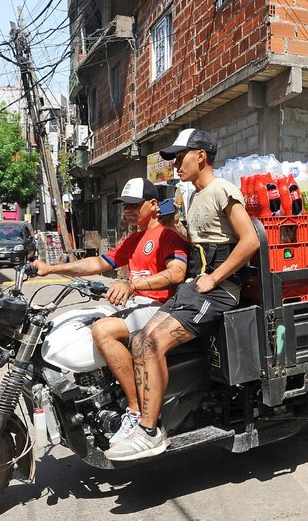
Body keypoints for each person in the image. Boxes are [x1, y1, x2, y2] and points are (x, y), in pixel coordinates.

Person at [106, 128, 260, 461]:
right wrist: (175, 224)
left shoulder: (223, 190)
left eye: (180, 156)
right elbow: (196, 243)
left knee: (150, 342)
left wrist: (214, 278)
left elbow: (250, 241)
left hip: (218, 291)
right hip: (196, 286)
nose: (176, 164)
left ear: (200, 156)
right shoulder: (191, 195)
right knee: (138, 340)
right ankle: (144, 420)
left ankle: (149, 431)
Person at [31, 178, 189, 446]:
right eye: (125, 206)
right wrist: (52, 269)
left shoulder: (167, 236)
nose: (128, 210)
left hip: (159, 307)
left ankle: (134, 411)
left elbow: (177, 272)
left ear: (153, 205)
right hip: (136, 304)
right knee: (75, 323)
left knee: (102, 330)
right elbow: (99, 262)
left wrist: (132, 284)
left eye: (134, 205)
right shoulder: (135, 239)